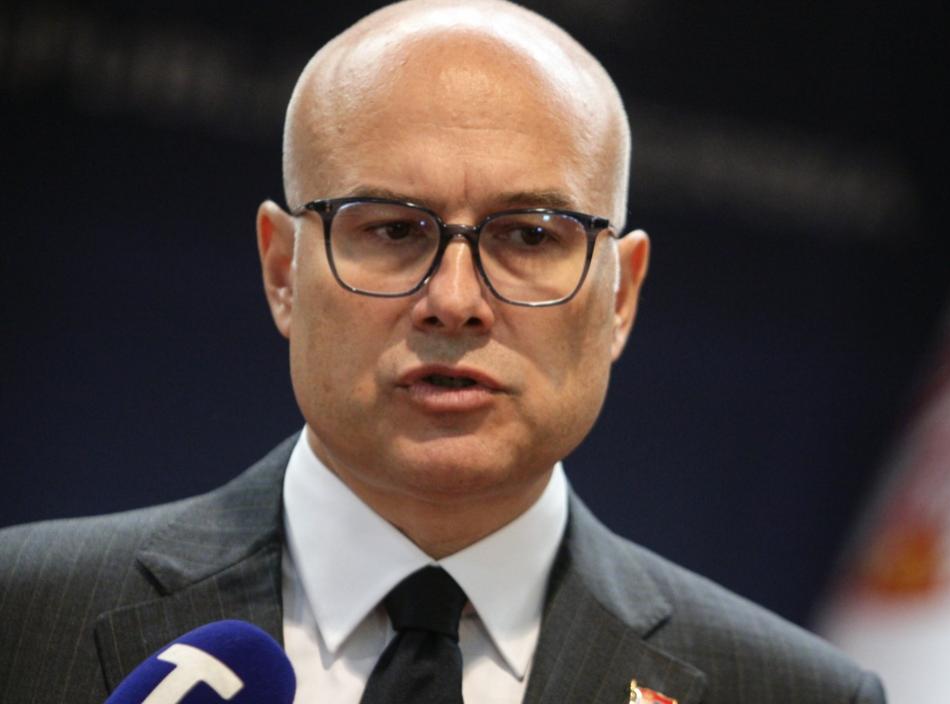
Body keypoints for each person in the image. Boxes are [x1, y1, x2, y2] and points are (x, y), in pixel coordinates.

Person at [0, 1, 884, 702]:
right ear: (282, 271)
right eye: (392, 229)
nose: (454, 301)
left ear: (620, 296)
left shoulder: (790, 694)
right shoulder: (21, 619)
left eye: (531, 236)